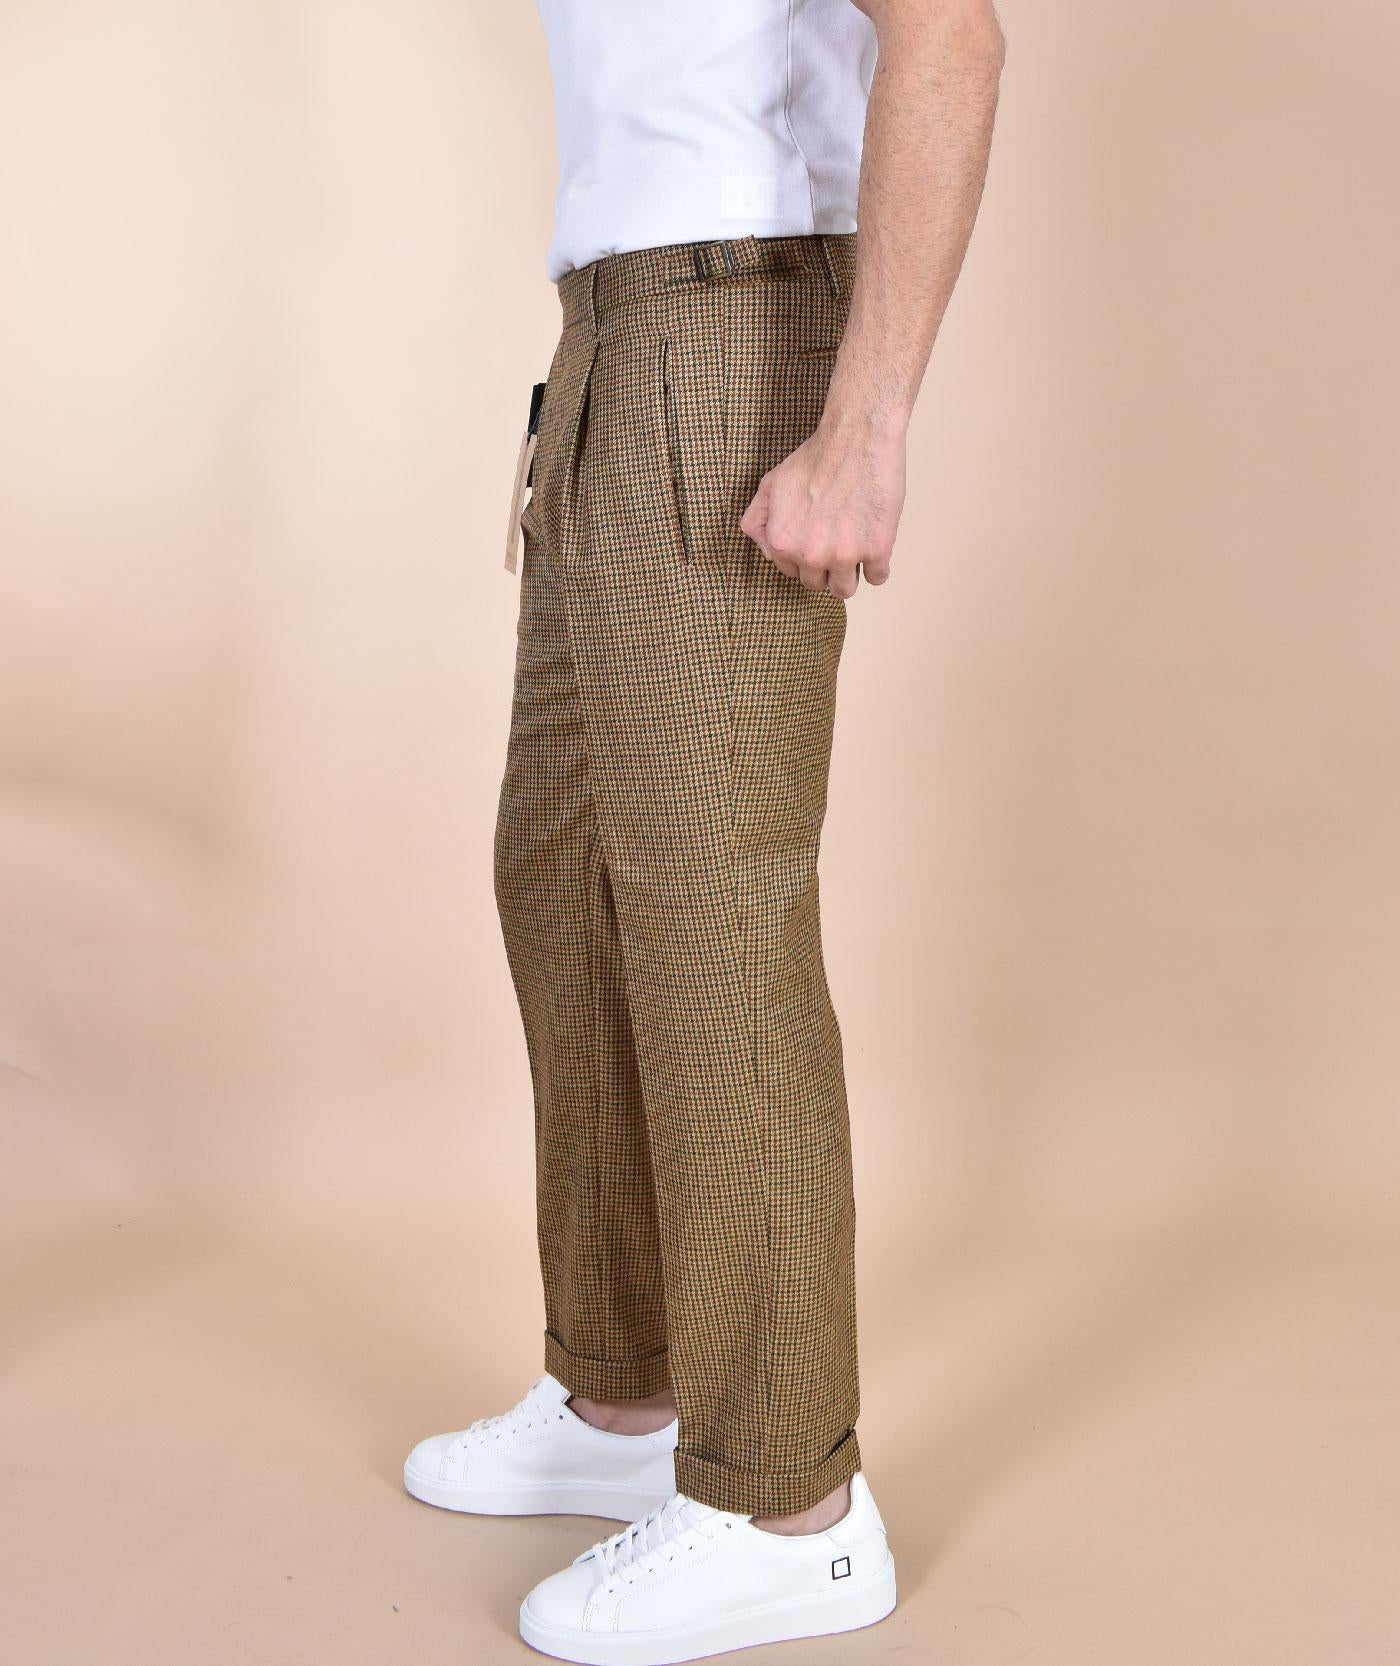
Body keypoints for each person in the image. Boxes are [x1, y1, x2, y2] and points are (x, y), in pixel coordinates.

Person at [404, 2, 1004, 1659]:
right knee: (566, 878)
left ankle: (788, 1507)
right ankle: (627, 1395)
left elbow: (952, 37)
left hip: (732, 322)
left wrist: (864, 425)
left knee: (713, 921)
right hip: (610, 328)